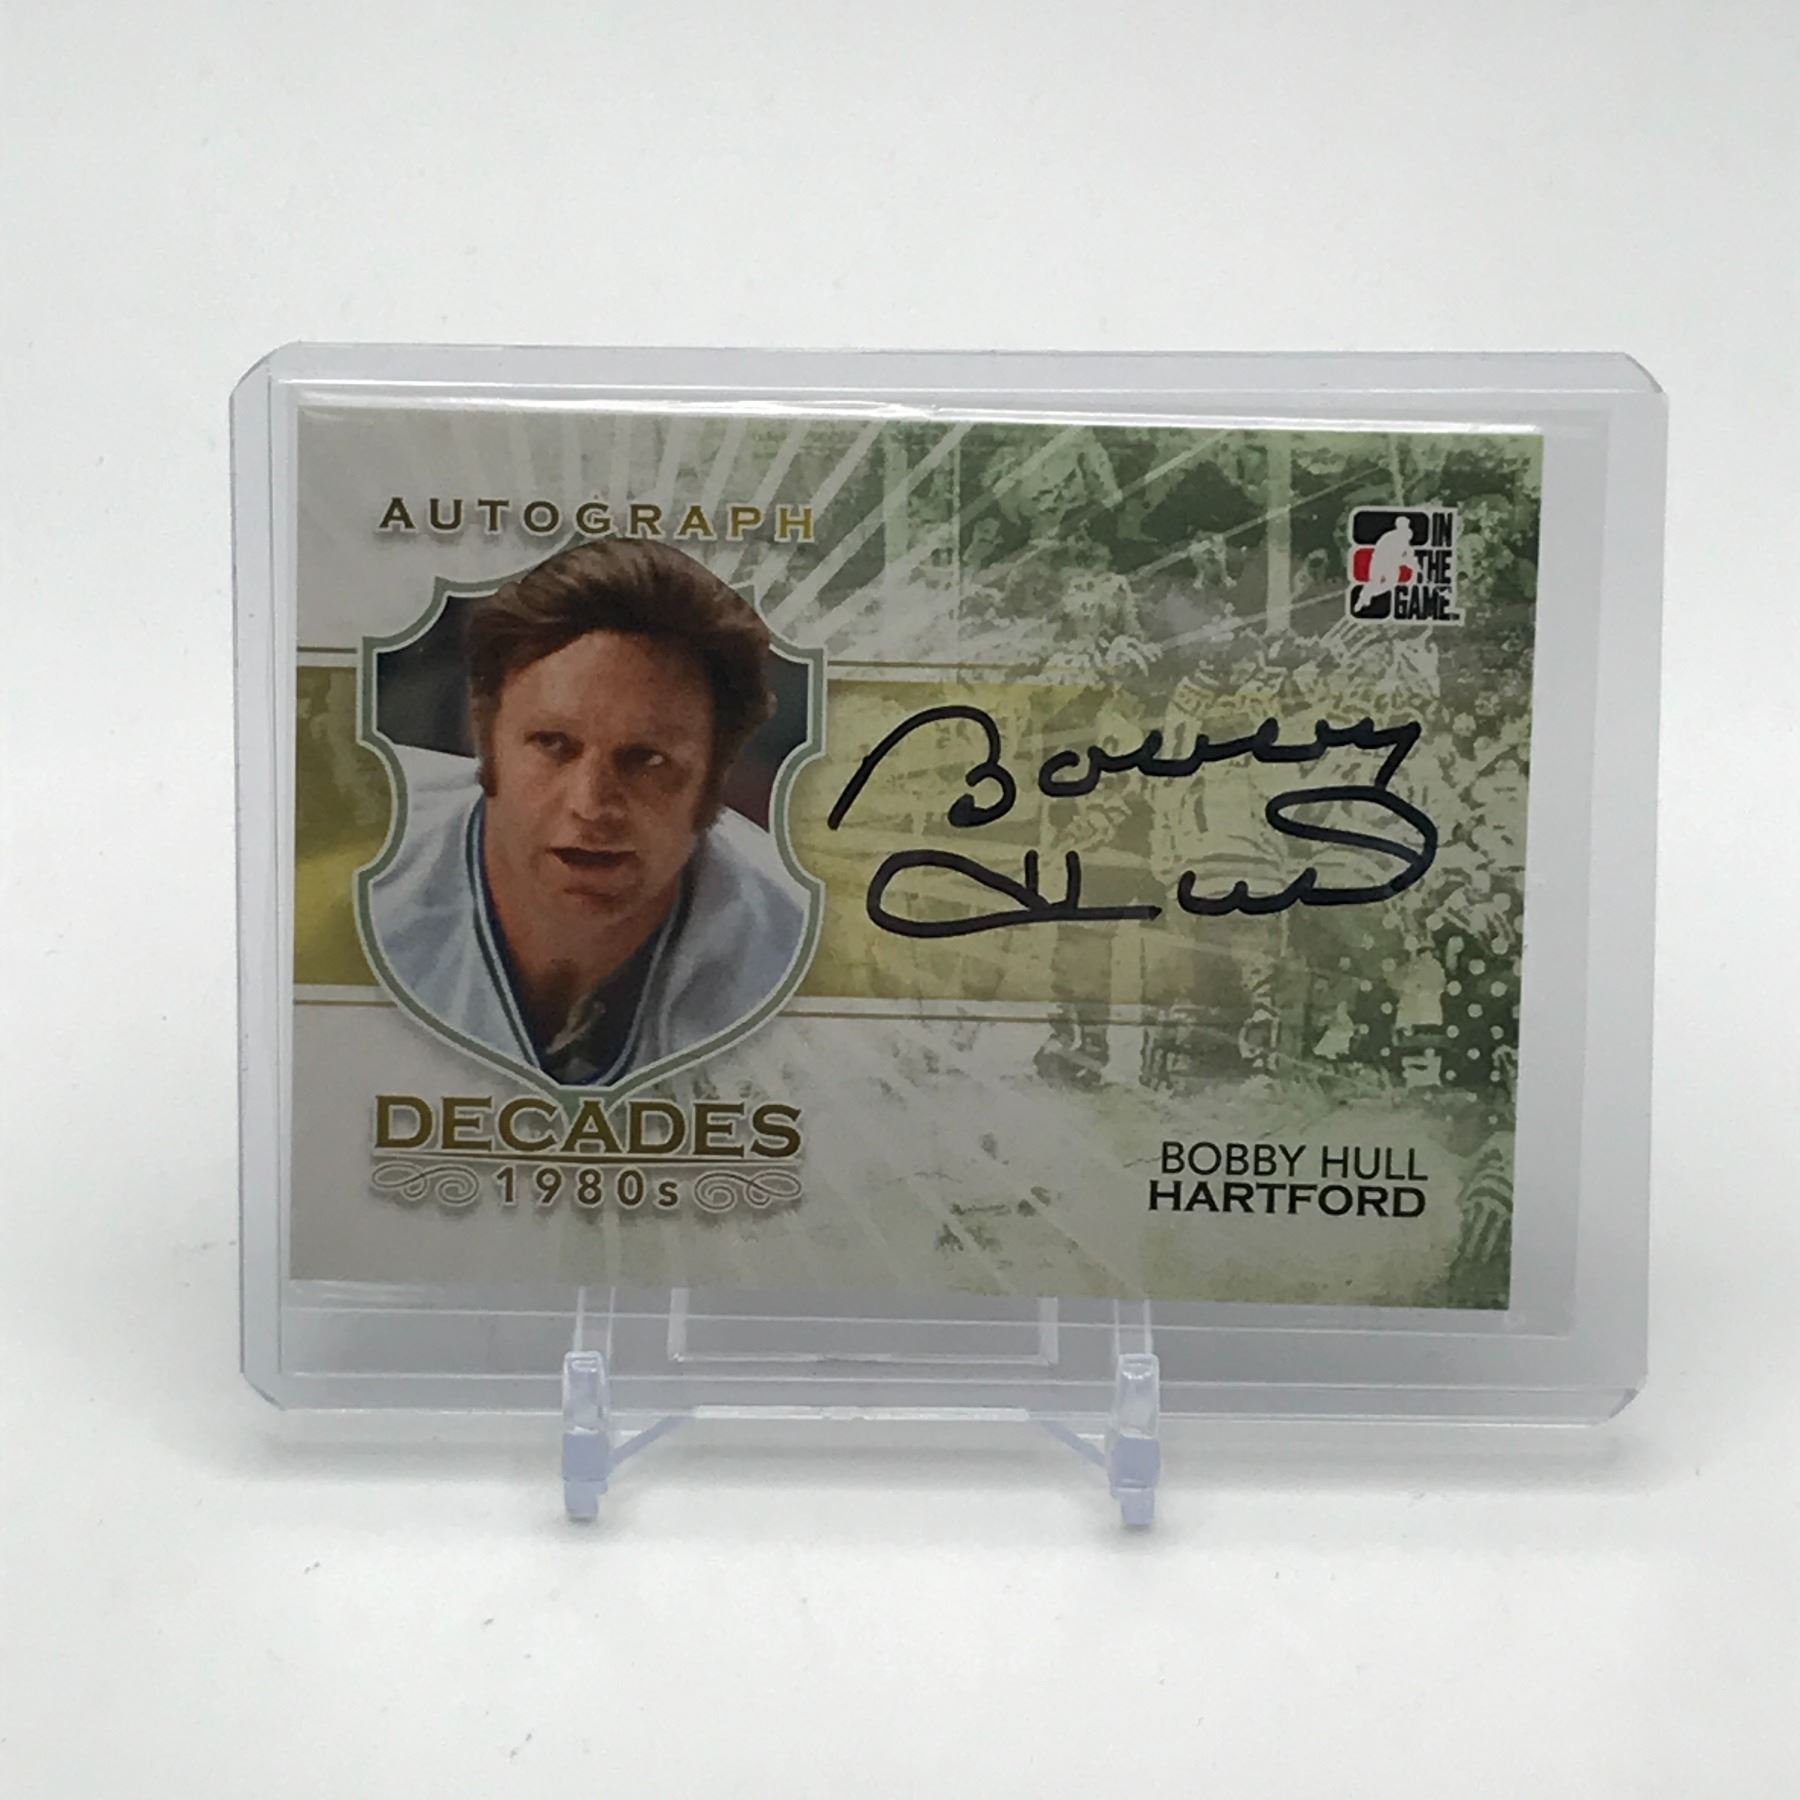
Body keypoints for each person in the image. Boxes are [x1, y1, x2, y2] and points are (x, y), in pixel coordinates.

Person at [367, 539, 808, 1085]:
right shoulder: (341, 875)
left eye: (647, 759)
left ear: (715, 776)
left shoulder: (800, 954)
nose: (592, 806)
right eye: (553, 744)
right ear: (486, 741)